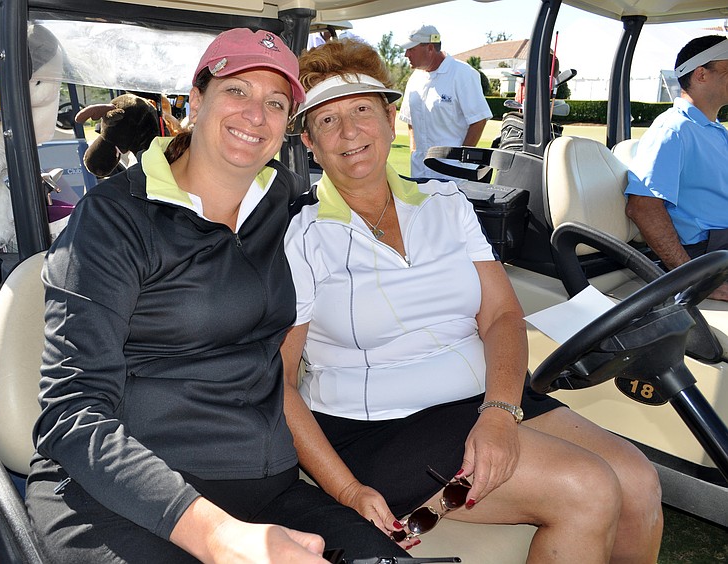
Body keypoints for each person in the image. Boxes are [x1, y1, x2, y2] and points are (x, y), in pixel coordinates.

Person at [26, 29, 408, 564]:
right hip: (123, 491)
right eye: (237, 91)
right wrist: (219, 538)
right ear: (197, 100)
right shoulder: (114, 220)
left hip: (265, 485)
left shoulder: (279, 201)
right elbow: (71, 412)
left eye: (276, 102)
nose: (256, 113)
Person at [282, 38, 663, 562]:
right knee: (587, 487)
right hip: (384, 426)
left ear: (391, 119)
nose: (349, 132)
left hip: (485, 397)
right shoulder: (300, 237)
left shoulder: (446, 204)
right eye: (327, 120)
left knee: (640, 481)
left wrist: (500, 411)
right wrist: (345, 490)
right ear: (308, 141)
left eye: (363, 110)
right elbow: (279, 383)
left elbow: (503, 315)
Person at [625, 35, 728, 300]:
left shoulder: (715, 130)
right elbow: (642, 207)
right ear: (702, 74)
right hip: (709, 253)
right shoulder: (673, 129)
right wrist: (696, 280)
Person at [398, 25, 492, 179]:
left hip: (453, 173)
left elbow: (479, 120)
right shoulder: (415, 78)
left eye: (411, 49)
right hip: (420, 171)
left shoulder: (463, 74)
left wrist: (460, 157)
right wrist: (414, 151)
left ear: (429, 48)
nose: (406, 54)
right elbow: (411, 121)